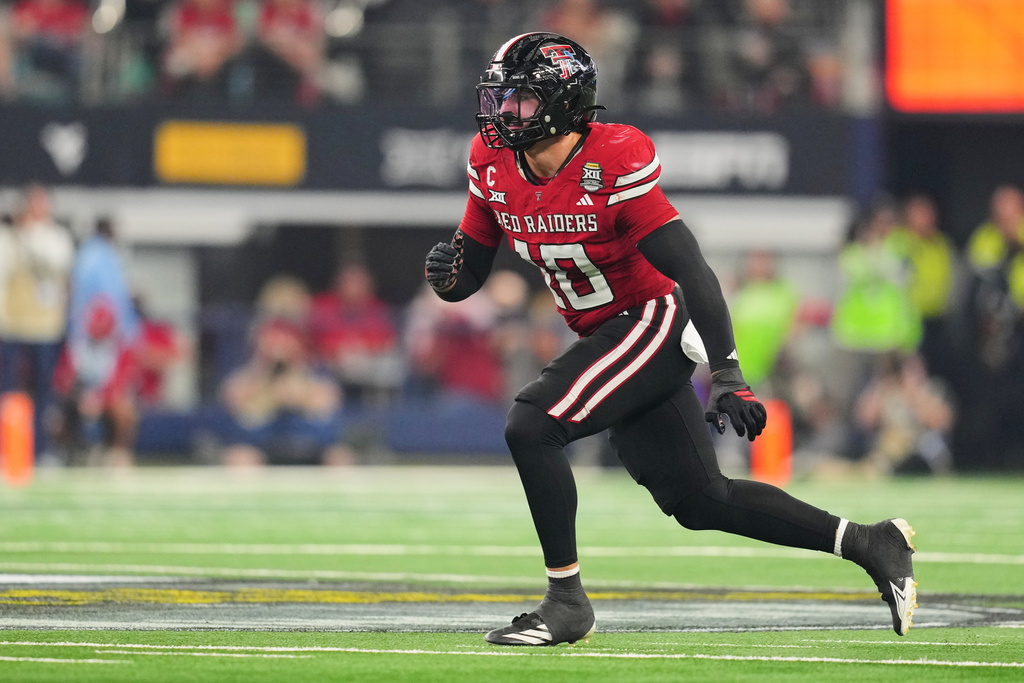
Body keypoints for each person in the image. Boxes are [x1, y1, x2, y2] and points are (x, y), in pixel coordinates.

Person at [423, 33, 917, 646]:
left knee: (532, 423)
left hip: (650, 319)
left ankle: (566, 601)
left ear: (563, 103)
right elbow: (469, 271)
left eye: (520, 100)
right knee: (701, 500)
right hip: (604, 331)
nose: (503, 113)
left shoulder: (612, 161)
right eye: (501, 98)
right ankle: (870, 542)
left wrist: (729, 372)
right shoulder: (492, 163)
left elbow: (694, 273)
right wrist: (448, 275)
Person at [0, 184, 75, 461]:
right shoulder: (8, 239)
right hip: (13, 326)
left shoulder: (56, 238)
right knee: (8, 390)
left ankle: (42, 449)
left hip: (45, 328)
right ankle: (8, 449)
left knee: (45, 393)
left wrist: (30, 235)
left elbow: (57, 264)